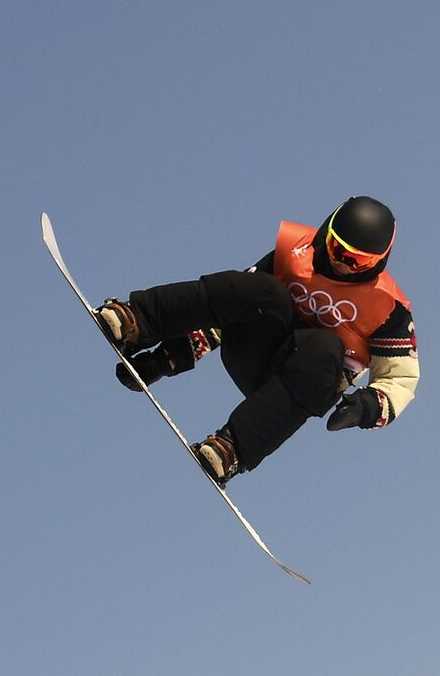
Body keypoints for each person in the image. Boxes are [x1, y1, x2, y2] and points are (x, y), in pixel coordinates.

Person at [92, 196, 417, 487]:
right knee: (263, 290)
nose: (341, 263)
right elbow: (232, 305)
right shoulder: (295, 254)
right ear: (326, 231)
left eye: (357, 261)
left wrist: (365, 408)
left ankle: (231, 449)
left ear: (379, 262)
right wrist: (169, 357)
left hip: (300, 387)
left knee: (324, 347)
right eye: (336, 248)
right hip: (252, 351)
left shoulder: (388, 309)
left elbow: (401, 380)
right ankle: (137, 321)